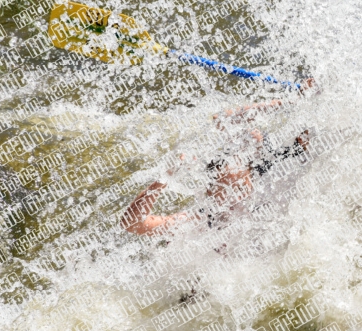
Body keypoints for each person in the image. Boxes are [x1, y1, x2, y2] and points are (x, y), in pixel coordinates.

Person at [120, 97, 311, 237]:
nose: (229, 198)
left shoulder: (272, 194)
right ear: (209, 191)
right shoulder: (200, 220)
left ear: (251, 184)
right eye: (222, 188)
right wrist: (164, 179)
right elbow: (132, 223)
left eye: (237, 188)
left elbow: (222, 119)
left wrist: (295, 99)